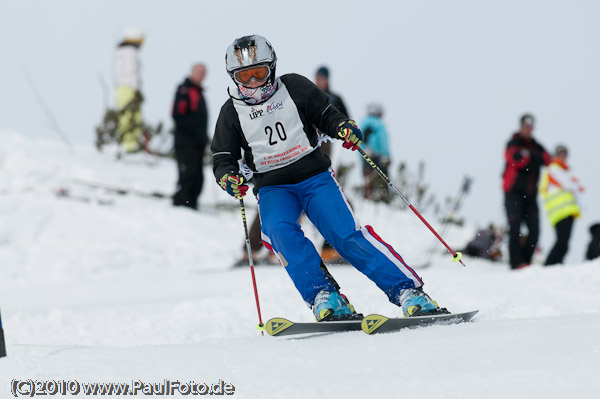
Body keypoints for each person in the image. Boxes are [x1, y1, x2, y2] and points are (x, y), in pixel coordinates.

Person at [211, 34, 448, 321]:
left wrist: (343, 127)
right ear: (233, 77)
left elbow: (327, 115)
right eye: (244, 76)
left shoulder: (295, 87)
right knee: (278, 231)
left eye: (258, 73)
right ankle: (325, 296)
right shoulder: (231, 112)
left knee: (344, 234)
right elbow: (222, 157)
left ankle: (408, 291)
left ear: (271, 68)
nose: (252, 84)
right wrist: (228, 178)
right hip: (273, 187)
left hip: (313, 177)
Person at [502, 114, 551, 270]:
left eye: (530, 126)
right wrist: (531, 157)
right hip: (513, 193)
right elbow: (517, 160)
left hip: (530, 195)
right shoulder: (513, 142)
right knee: (514, 227)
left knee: (535, 230)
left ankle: (526, 262)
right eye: (525, 126)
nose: (528, 129)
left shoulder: (536, 145)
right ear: (521, 126)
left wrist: (529, 155)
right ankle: (516, 263)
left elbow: (548, 159)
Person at [172, 64, 209, 210]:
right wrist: (192, 133)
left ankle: (191, 204)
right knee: (188, 175)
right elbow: (178, 115)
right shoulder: (185, 90)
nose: (201, 76)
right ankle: (182, 204)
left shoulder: (198, 92)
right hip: (186, 142)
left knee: (198, 177)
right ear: (192, 72)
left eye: (203, 73)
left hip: (197, 144)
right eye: (199, 72)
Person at [539, 145, 584, 265]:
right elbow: (570, 185)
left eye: (565, 154)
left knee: (564, 243)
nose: (563, 157)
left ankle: (555, 265)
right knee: (562, 242)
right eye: (560, 154)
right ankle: (550, 265)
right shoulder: (554, 169)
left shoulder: (563, 170)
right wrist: (576, 184)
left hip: (567, 211)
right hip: (559, 212)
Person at [115, 27, 145, 153]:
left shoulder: (121, 51)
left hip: (122, 88)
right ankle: (130, 145)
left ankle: (130, 143)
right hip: (129, 88)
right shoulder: (130, 52)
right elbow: (131, 72)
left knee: (127, 116)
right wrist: (136, 90)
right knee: (131, 116)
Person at [360, 102, 391, 202]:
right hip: (376, 156)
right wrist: (385, 155)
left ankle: (369, 196)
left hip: (367, 155)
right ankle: (381, 199)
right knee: (381, 180)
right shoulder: (377, 124)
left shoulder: (364, 122)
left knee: (368, 178)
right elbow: (382, 142)